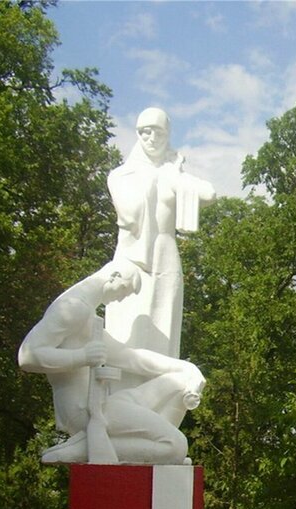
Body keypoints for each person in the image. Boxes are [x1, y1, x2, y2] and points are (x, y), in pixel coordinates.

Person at [18, 260, 205, 465]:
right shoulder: (73, 307)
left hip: (104, 404)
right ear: (114, 276)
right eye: (125, 289)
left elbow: (128, 356)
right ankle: (85, 447)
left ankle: (155, 453)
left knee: (179, 381)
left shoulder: (86, 313)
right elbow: (28, 356)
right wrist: (81, 357)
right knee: (176, 446)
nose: (122, 297)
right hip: (85, 412)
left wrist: (187, 368)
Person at [105, 107, 215, 364]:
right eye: (146, 132)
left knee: (164, 327)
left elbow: (209, 194)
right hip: (131, 258)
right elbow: (130, 215)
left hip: (165, 255)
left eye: (159, 133)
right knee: (127, 326)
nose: (152, 138)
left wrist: (174, 176)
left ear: (167, 135)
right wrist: (160, 177)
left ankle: (161, 382)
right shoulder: (121, 175)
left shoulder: (171, 174)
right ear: (137, 134)